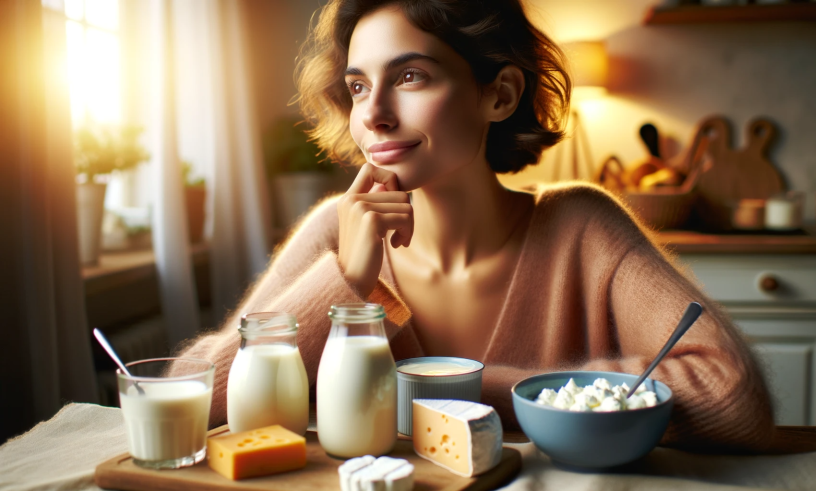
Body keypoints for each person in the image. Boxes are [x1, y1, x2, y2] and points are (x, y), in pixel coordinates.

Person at [177, 0, 774, 451]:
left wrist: (452, 394)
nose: (375, 115)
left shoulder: (579, 227)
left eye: (410, 77)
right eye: (358, 86)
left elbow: (732, 396)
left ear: (500, 94)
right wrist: (343, 283)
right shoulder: (338, 231)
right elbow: (188, 395)